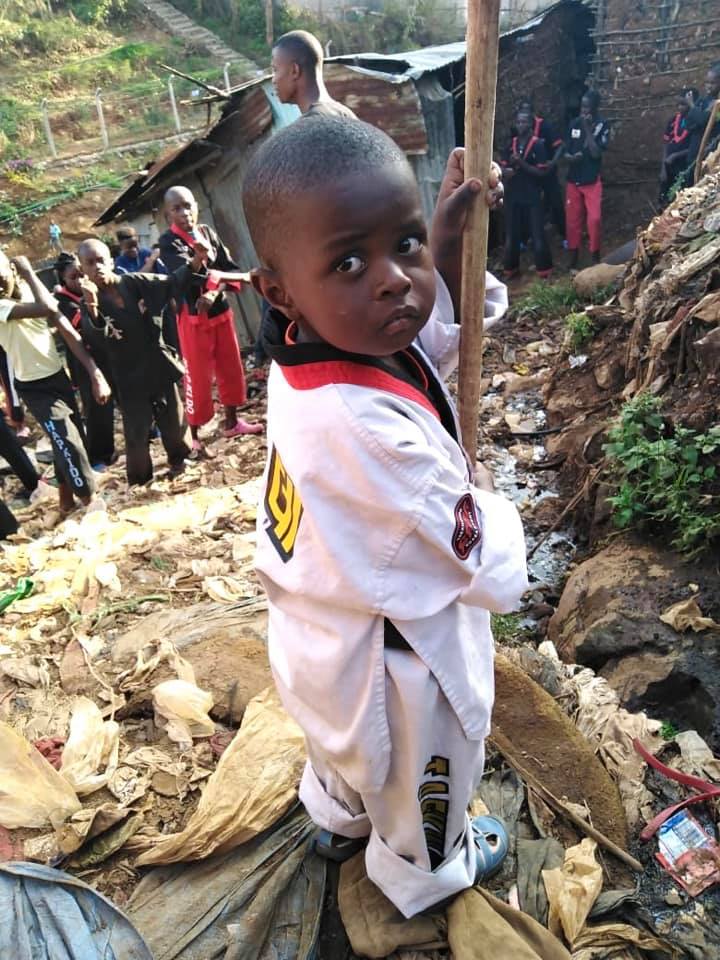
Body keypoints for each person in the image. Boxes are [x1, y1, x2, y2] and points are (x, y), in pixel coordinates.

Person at [243, 116, 527, 918]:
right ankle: (424, 874)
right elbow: (480, 561)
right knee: (421, 776)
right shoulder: (370, 436)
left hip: (318, 629)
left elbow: (415, 347)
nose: (396, 279)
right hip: (395, 664)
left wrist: (442, 238)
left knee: (340, 752)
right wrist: (487, 505)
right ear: (279, 288)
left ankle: (337, 821)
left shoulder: (310, 344)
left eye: (403, 244)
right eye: (350, 260)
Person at [77, 239, 201, 486]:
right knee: (137, 430)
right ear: (83, 269)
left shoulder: (133, 282)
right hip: (127, 375)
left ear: (111, 261)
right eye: (90, 263)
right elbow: (97, 343)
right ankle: (140, 479)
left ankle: (180, 461)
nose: (97, 267)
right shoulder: (89, 302)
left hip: (156, 363)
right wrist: (91, 305)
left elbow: (171, 283)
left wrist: (196, 261)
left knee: (174, 419)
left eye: (101, 260)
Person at [0, 251, 110, 514]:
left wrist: (95, 373)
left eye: (0, 277)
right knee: (67, 441)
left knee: (70, 440)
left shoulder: (31, 292)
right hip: (33, 387)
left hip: (58, 378)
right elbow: (50, 308)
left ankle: (65, 501)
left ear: (11, 271)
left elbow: (67, 330)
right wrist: (27, 272)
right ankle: (91, 502)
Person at [158, 185, 262, 457]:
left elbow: (230, 271)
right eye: (176, 209)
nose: (184, 213)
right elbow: (181, 280)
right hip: (192, 320)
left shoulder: (207, 232)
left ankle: (231, 422)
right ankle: (193, 435)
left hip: (220, 312)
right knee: (197, 377)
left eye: (188, 206)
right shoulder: (169, 242)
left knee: (231, 367)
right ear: (167, 214)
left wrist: (215, 292)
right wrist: (197, 257)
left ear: (196, 206)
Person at [54, 252, 116, 468]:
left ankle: (146, 432)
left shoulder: (99, 286)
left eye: (82, 274)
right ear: (64, 280)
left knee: (127, 393)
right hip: (85, 360)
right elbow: (77, 326)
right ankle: (100, 455)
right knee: (98, 408)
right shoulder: (61, 303)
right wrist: (89, 302)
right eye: (73, 277)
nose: (80, 280)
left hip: (109, 354)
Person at [500, 108, 553, 279]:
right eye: (518, 122)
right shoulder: (511, 144)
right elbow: (502, 167)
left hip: (532, 194)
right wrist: (505, 171)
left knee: (537, 234)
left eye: (524, 122)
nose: (521, 125)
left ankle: (544, 271)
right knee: (512, 235)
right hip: (513, 194)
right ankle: (511, 269)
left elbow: (543, 173)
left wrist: (521, 163)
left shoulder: (538, 144)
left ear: (530, 124)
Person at [565, 91, 609, 268]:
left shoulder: (602, 125)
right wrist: (569, 157)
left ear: (595, 108)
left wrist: (588, 129)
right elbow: (566, 149)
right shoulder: (573, 124)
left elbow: (596, 153)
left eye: (587, 107)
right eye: (582, 107)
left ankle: (594, 254)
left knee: (594, 219)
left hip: (591, 180)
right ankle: (573, 258)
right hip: (573, 180)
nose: (583, 111)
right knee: (573, 221)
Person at [271, 30, 356, 119]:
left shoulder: (308, 128)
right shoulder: (348, 116)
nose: (273, 80)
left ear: (295, 71)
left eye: (275, 69)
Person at [517, 98, 565, 237]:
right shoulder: (519, 128)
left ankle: (565, 235)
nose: (525, 114)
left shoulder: (545, 126)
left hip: (547, 170)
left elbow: (560, 146)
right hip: (530, 173)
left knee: (555, 201)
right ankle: (526, 237)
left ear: (532, 112)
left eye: (527, 111)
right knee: (527, 203)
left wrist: (552, 162)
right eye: (522, 111)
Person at [684, 64, 720, 184]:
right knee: (690, 178)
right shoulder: (703, 100)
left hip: (708, 149)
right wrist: (697, 114)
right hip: (695, 147)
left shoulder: (716, 103)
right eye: (706, 83)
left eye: (712, 83)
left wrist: (691, 105)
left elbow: (702, 120)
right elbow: (689, 123)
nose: (708, 86)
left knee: (702, 178)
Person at [660, 89, 696, 203]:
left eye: (683, 104)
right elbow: (666, 144)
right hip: (669, 165)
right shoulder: (673, 120)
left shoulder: (695, 122)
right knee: (663, 196)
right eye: (678, 104)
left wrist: (675, 155)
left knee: (679, 196)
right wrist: (663, 169)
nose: (680, 107)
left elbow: (696, 146)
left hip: (684, 166)